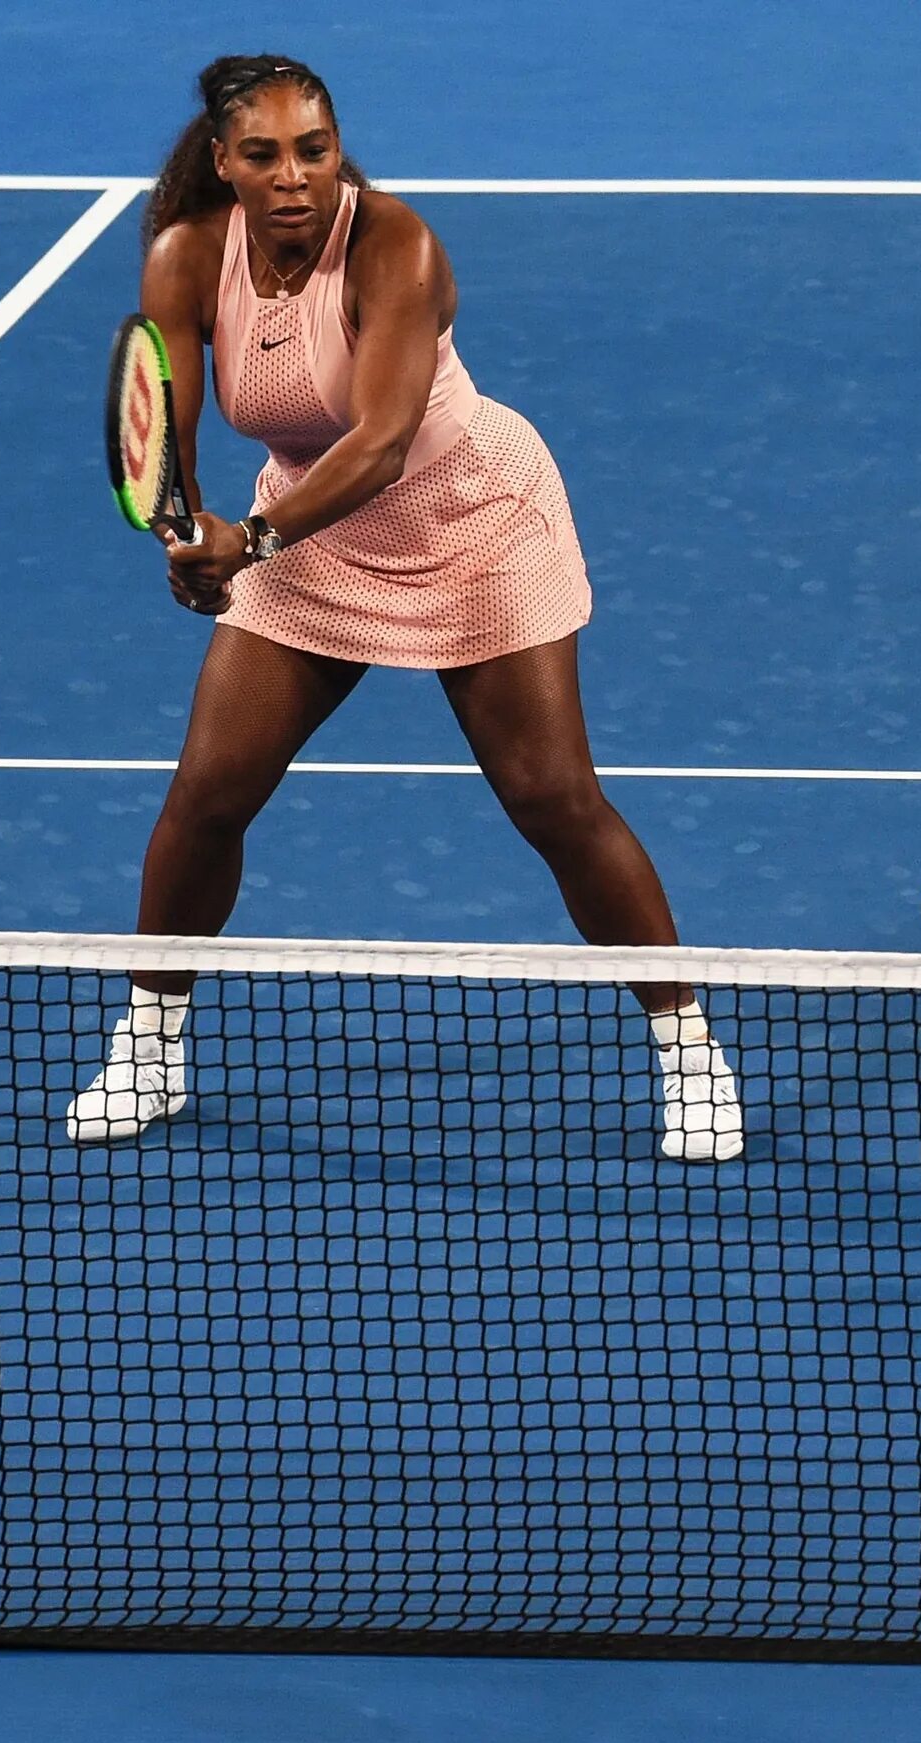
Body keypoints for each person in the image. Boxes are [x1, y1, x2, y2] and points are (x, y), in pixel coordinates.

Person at [66, 54, 739, 1162]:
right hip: (311, 535)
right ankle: (150, 1045)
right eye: (266, 155)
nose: (294, 176)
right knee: (208, 795)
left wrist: (252, 541)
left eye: (314, 150)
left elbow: (380, 441)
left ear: (339, 151)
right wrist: (186, 540)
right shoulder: (186, 255)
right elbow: (168, 441)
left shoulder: (395, 246)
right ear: (225, 163)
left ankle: (689, 1050)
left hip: (471, 521)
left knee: (554, 800)